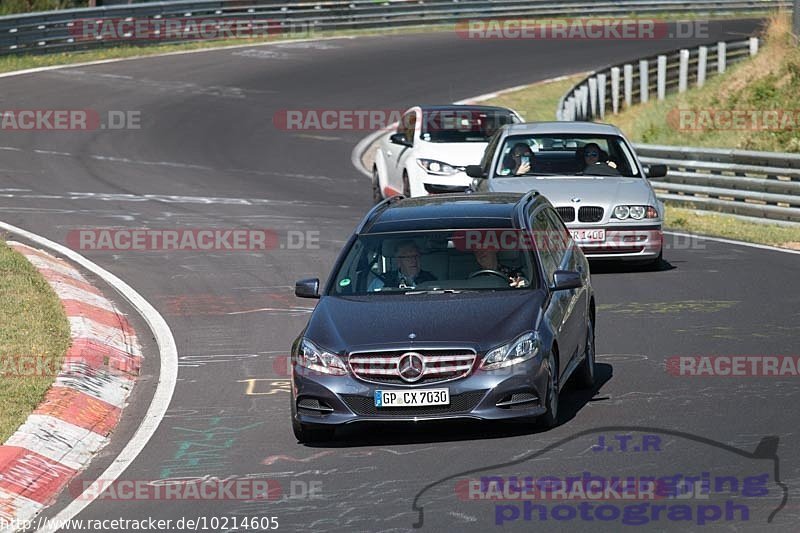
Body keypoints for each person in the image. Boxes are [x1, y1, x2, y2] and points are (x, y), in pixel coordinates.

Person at [369, 241, 437, 291]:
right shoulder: (381, 282)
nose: (414, 260)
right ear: (399, 261)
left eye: (416, 256)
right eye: (408, 257)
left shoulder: (430, 280)